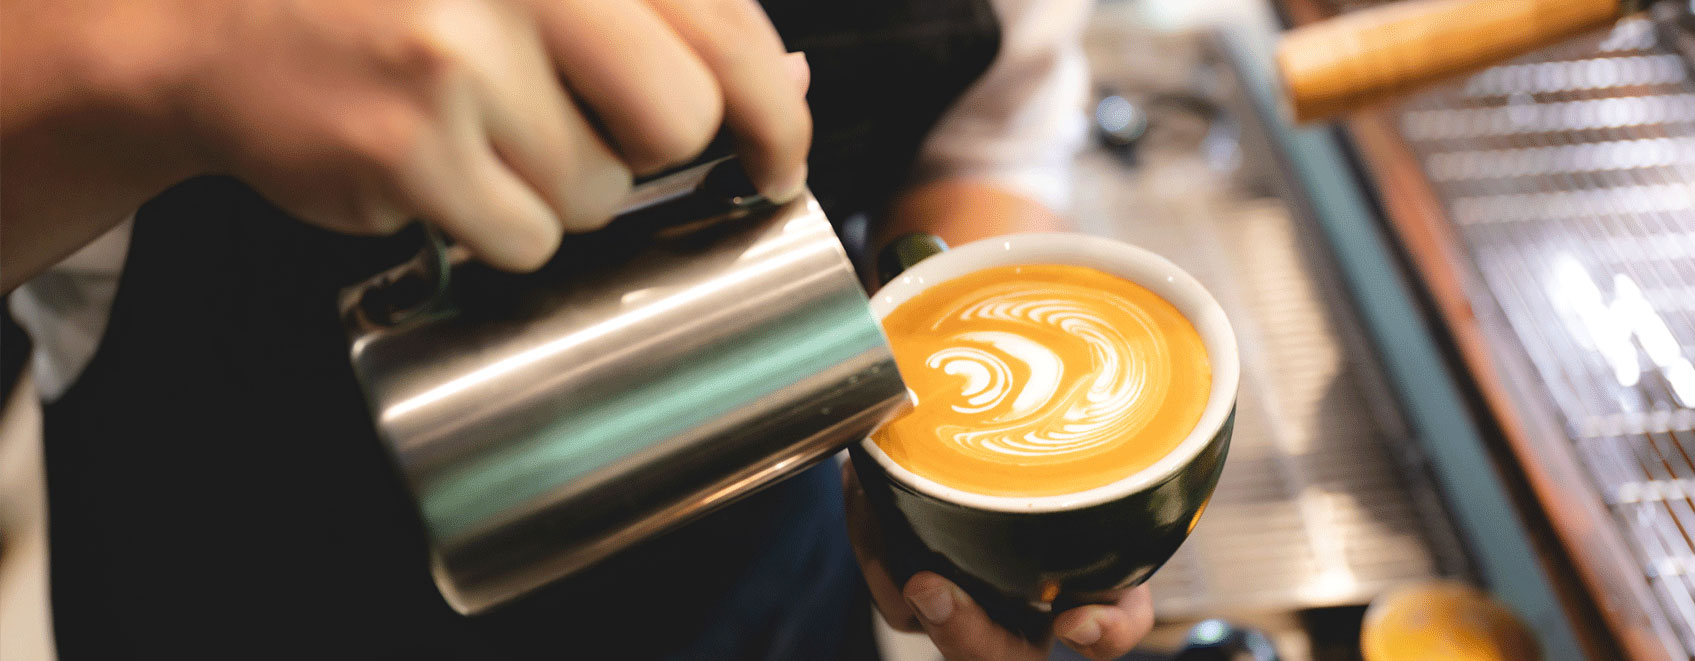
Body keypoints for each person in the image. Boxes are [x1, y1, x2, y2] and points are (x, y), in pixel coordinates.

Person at [0, 0, 1153, 658]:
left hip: (768, 601)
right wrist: (171, 56)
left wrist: (976, 456)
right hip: (247, 591)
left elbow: (985, 130)